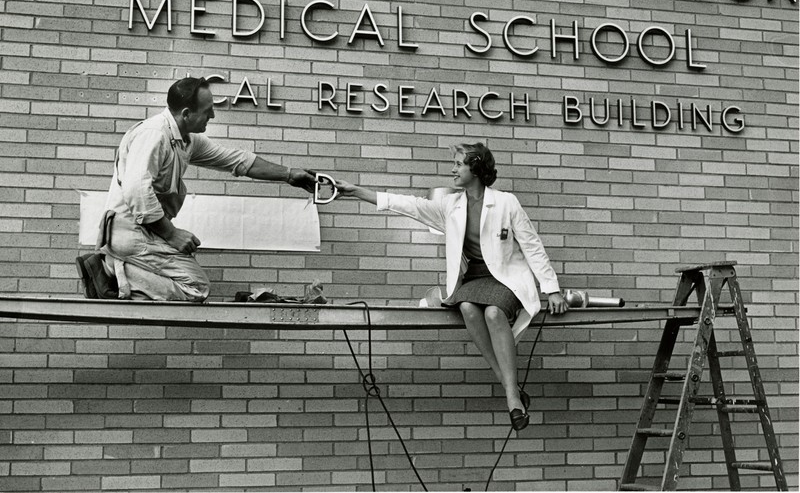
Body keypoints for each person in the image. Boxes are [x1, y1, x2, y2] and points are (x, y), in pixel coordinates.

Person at [334, 142, 567, 432]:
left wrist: (551, 288)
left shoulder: (507, 202)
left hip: (507, 278)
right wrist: (356, 191)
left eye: (459, 163)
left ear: (477, 168)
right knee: (468, 308)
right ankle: (512, 389)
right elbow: (408, 204)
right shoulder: (450, 205)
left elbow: (532, 246)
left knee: (494, 314)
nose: (452, 169)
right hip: (474, 279)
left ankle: (511, 397)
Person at [76, 76, 316, 302]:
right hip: (130, 232)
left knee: (193, 283)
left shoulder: (185, 139)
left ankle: (117, 272)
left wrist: (288, 174)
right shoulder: (154, 134)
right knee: (196, 288)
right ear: (186, 114)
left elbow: (236, 160)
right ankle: (109, 272)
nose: (212, 114)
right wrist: (171, 234)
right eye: (207, 109)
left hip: (146, 231)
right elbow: (135, 190)